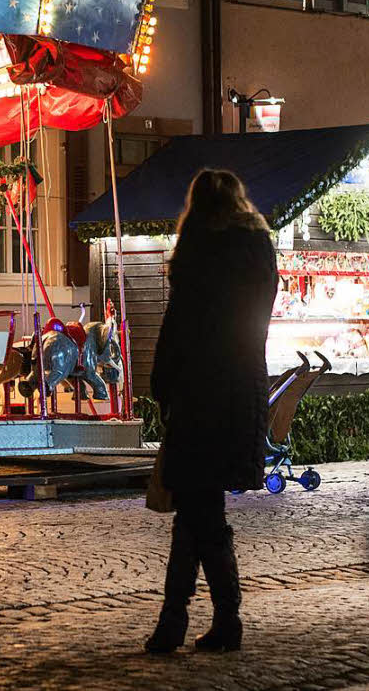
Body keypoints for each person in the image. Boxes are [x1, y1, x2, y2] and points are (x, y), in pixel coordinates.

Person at [146, 169, 278, 654]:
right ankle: (188, 620)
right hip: (241, 393)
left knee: (200, 513)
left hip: (199, 396)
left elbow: (178, 330)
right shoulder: (259, 256)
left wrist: (163, 388)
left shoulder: (198, 255)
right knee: (197, 512)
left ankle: (207, 620)